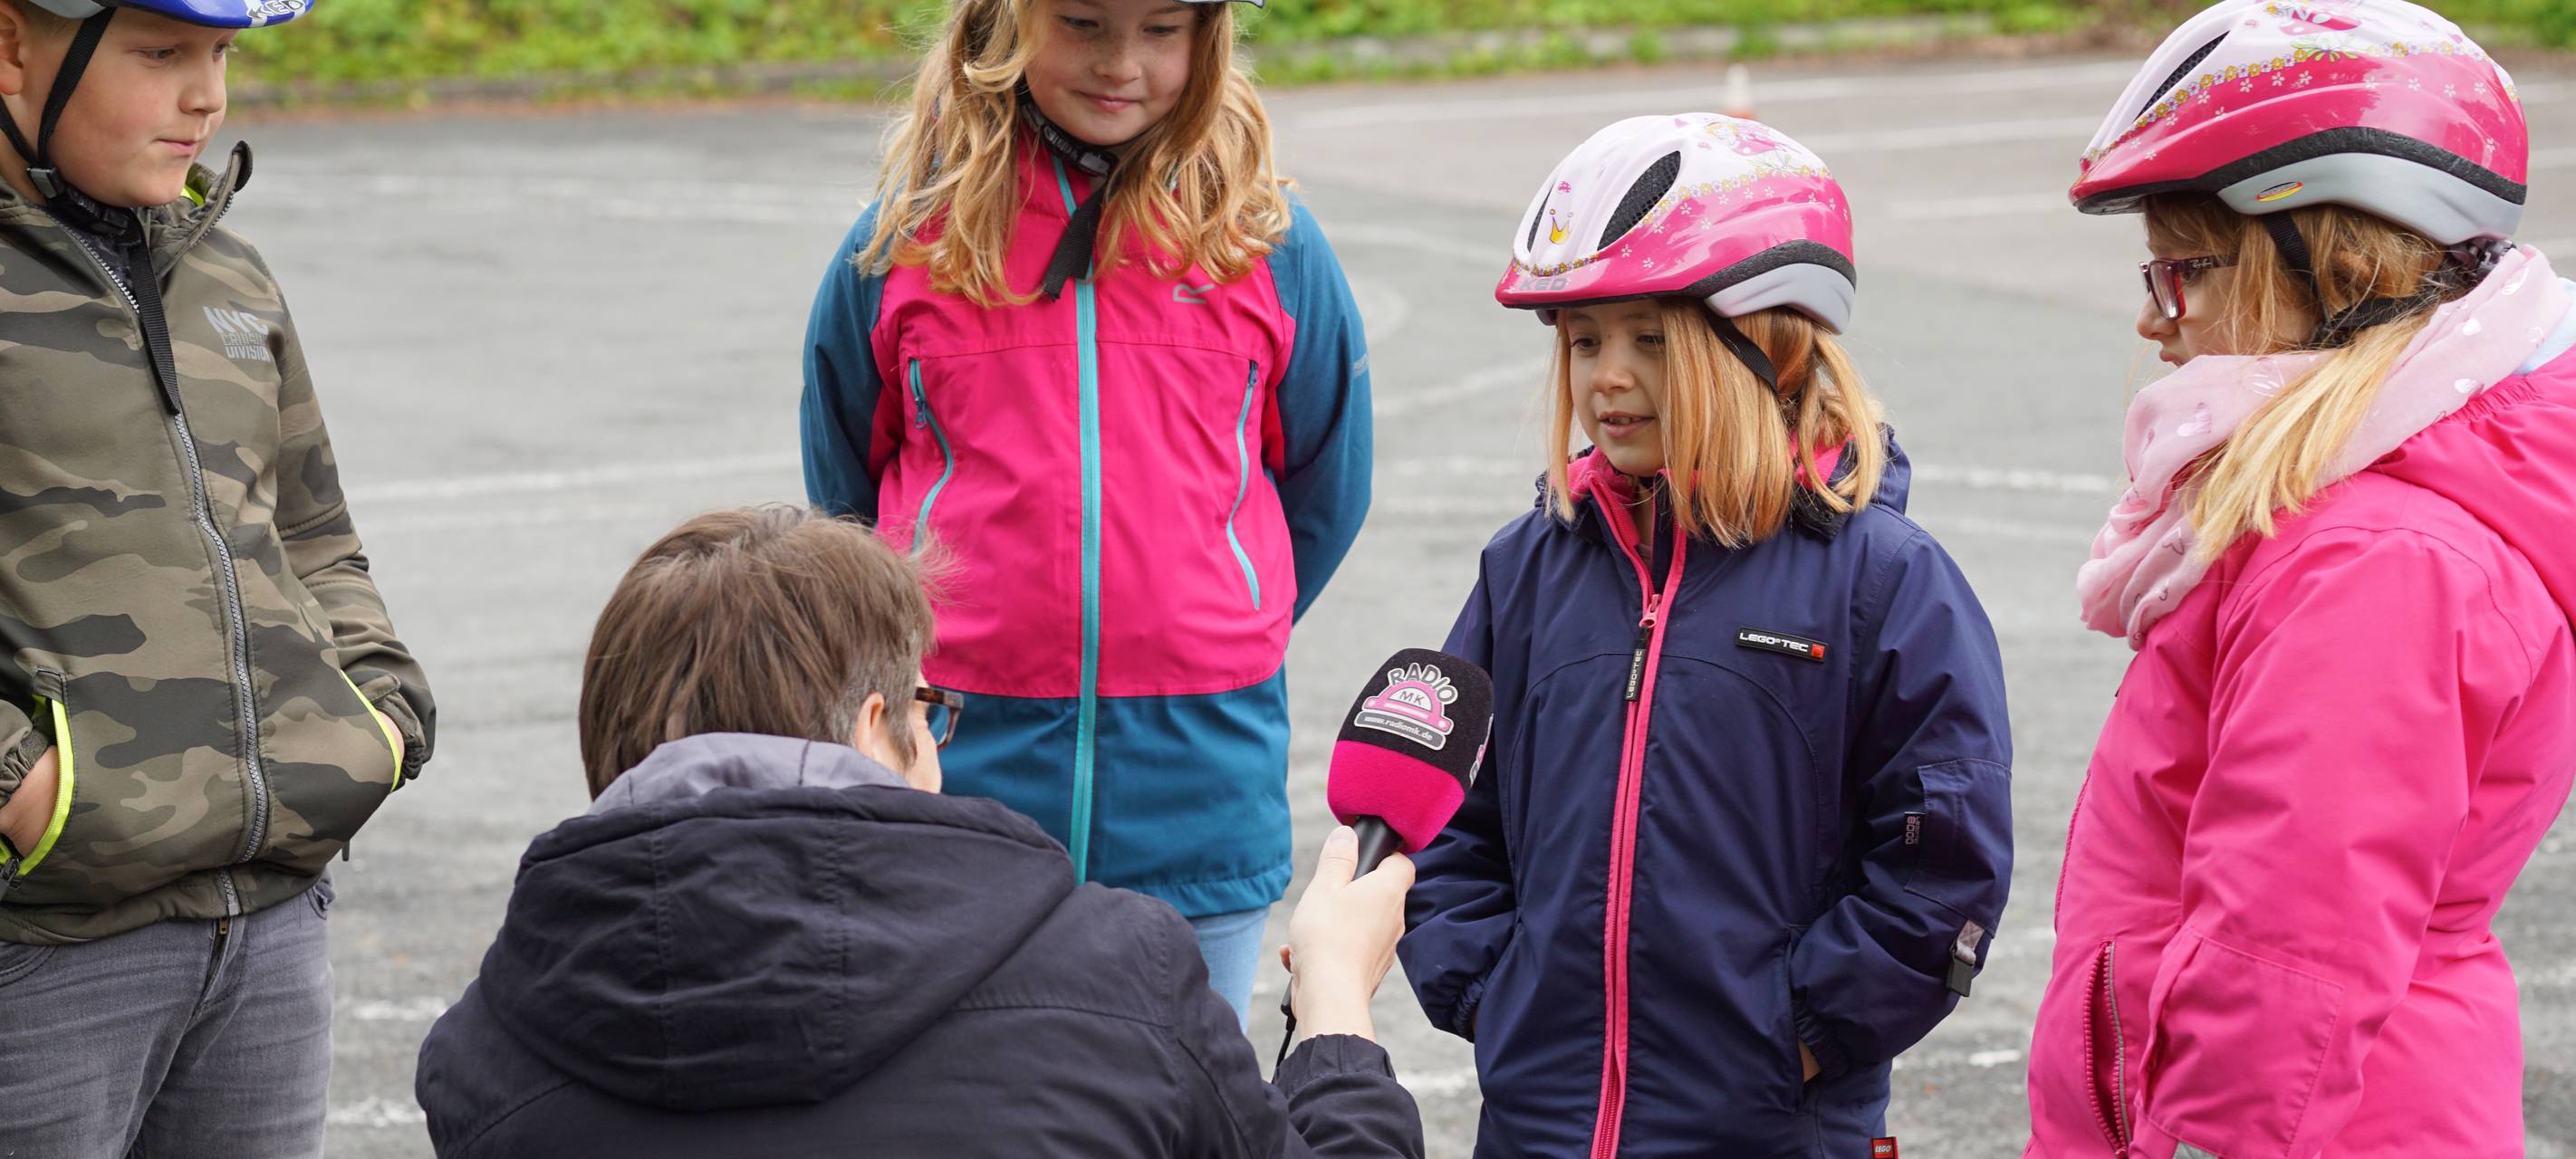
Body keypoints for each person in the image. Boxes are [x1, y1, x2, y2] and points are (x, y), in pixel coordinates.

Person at [415, 505, 1423, 1157]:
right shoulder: (1123, 973)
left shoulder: (490, 1046)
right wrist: (1333, 1000)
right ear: (870, 728)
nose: (938, 748)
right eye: (929, 709)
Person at [1399, 114, 2014, 1154]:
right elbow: (1453, 808)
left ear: (1767, 341)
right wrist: (1488, 989)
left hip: (1766, 1123)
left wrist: (1805, 1032)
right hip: (1538, 1122)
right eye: (1584, 341)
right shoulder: (1528, 567)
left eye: (1651, 337)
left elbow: (1940, 860)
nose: (1607, 377)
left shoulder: (1883, 581)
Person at [2023, 2, 2576, 1154]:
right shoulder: (2346, 512)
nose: (2150, 319)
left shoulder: (2380, 561)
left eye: (2183, 273)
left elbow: (2287, 958)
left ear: (2341, 261)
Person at [799, 0, 1372, 1020]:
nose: (1124, 65)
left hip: (1198, 779)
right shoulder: (905, 240)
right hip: (962, 771)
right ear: (1005, 22)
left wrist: (1214, 614)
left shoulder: (1267, 241)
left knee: (1186, 1110)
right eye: (1083, 23)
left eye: (1163, 30)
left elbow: (1327, 483)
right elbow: (845, 489)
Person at [0, 2, 435, 1155]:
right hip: (44, 948)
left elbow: (315, 533)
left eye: (222, 58)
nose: (207, 99)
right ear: (12, 46)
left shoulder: (228, 272)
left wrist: (375, 717)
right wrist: (24, 789)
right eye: (161, 54)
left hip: (271, 925)